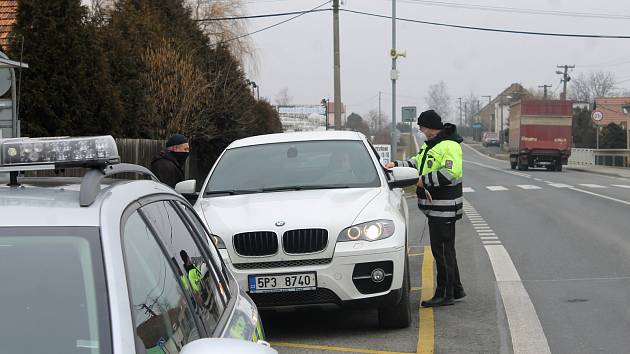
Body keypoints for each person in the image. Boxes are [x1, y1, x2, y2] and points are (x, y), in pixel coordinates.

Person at [385, 109, 465, 307]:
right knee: (446, 250)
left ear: (430, 127)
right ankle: (455, 289)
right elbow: (417, 163)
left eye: (422, 126)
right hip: (436, 207)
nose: (420, 130)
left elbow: (450, 173)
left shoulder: (449, 145)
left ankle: (444, 295)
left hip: (444, 207)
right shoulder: (431, 146)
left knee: (442, 251)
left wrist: (423, 181)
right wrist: (396, 165)